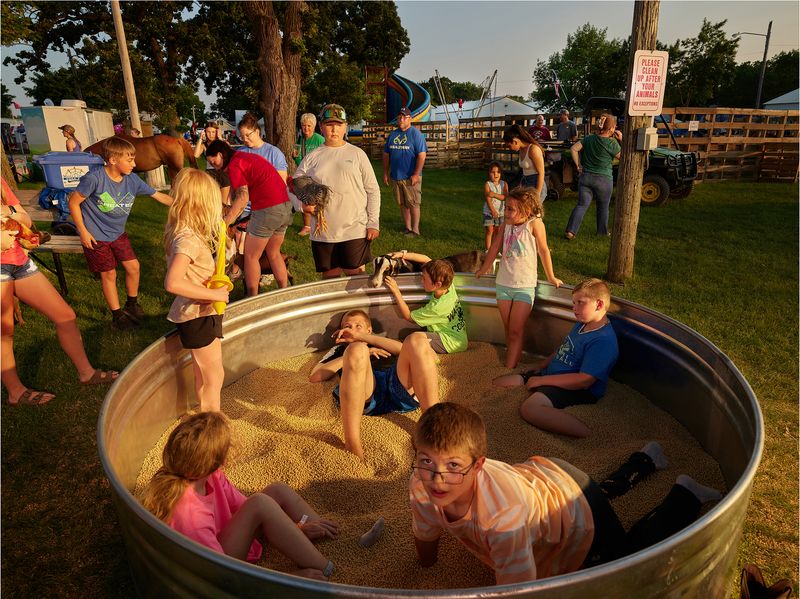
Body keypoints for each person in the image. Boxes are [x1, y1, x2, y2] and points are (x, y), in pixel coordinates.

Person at [409, 402, 723, 585]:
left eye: (453, 465)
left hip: (575, 512)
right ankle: (648, 458)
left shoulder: (503, 518)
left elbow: (520, 590)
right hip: (544, 480)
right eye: (426, 461)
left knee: (625, 563)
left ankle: (686, 494)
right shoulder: (420, 484)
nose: (438, 479)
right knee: (598, 494)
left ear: (478, 466)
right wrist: (422, 570)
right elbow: (425, 534)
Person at [141, 411, 338, 581]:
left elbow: (245, 509)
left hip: (226, 538)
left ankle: (330, 539)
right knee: (260, 502)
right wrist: (292, 579)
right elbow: (220, 575)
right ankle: (327, 570)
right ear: (220, 460)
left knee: (277, 490)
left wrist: (298, 527)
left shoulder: (211, 476)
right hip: (222, 562)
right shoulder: (189, 513)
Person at [1, 177, 118, 405]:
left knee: (65, 316)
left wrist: (11, 212)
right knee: (4, 333)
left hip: (18, 261)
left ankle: (86, 373)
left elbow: (24, 216)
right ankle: (15, 392)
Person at [68, 137, 172, 331]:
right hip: (95, 235)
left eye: (134, 159)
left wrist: (186, 205)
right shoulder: (95, 179)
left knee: (133, 267)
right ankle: (117, 316)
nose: (134, 164)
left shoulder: (132, 180)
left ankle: (131, 304)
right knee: (109, 274)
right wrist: (82, 231)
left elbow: (159, 196)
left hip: (118, 234)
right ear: (113, 160)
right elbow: (73, 202)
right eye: (129, 159)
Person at [493, 278, 617, 438]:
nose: (574, 308)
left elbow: (584, 380)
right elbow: (565, 346)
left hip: (576, 388)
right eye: (573, 303)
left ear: (599, 305)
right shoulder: (583, 323)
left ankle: (590, 436)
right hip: (552, 374)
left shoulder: (603, 340)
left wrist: (541, 381)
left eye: (580, 303)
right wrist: (541, 364)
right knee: (499, 383)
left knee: (529, 409)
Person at [309, 309, 439, 459]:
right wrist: (362, 353)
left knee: (416, 339)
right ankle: (352, 444)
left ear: (369, 330)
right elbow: (315, 376)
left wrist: (365, 338)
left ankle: (432, 427)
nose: (352, 330)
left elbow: (413, 351)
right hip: (366, 391)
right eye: (347, 326)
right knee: (357, 349)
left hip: (396, 383)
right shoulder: (339, 349)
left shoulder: (381, 341)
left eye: (358, 326)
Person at [163, 169, 230, 413]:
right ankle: (212, 423)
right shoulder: (188, 239)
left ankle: (203, 411)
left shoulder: (183, 232)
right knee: (215, 375)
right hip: (198, 314)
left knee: (202, 371)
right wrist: (217, 295)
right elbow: (172, 283)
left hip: (198, 312)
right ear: (203, 204)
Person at [475, 187, 562, 369]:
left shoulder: (534, 224)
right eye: (505, 207)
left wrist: (551, 276)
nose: (505, 212)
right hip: (503, 284)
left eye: (510, 209)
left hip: (524, 286)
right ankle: (513, 357)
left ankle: (509, 368)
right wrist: (484, 268)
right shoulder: (506, 224)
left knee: (515, 330)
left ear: (526, 210)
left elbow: (543, 250)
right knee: (509, 328)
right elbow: (494, 247)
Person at [293, 104, 380, 279]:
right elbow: (293, 186)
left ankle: (357, 308)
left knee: (355, 276)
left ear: (345, 127)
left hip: (354, 228)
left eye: (339, 125)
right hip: (323, 231)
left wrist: (373, 222)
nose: (334, 129)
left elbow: (373, 190)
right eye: (329, 124)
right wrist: (301, 206)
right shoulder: (312, 157)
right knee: (330, 278)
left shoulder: (357, 154)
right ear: (322, 127)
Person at [205, 139, 292, 295]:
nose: (213, 165)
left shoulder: (234, 165)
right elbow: (236, 192)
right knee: (273, 253)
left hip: (267, 209)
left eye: (214, 161)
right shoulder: (243, 157)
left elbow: (243, 197)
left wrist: (225, 222)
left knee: (251, 256)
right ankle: (285, 293)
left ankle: (252, 298)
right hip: (285, 206)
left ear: (220, 154)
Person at [383, 257, 468, 355]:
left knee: (413, 340)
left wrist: (396, 291)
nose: (421, 281)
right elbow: (426, 259)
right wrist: (403, 254)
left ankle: (431, 356)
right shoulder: (448, 285)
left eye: (424, 278)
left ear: (437, 284)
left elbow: (408, 316)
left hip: (450, 343)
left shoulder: (436, 308)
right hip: (459, 337)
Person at [565, 113, 622, 240]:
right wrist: (621, 140)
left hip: (586, 178)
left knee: (581, 205)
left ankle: (570, 232)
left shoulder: (589, 138)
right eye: (614, 126)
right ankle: (602, 232)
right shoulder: (612, 143)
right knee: (603, 207)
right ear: (611, 129)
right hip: (604, 180)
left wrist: (578, 165)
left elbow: (574, 149)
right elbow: (623, 158)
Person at [382, 107, 427, 237]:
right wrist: (385, 172)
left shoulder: (415, 134)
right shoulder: (393, 135)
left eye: (404, 117)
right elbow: (386, 154)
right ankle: (407, 228)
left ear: (410, 119)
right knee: (402, 203)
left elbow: (422, 155)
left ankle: (415, 230)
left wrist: (416, 174)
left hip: (410, 176)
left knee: (413, 203)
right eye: (399, 117)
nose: (401, 119)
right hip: (396, 176)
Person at [293, 113, 325, 236]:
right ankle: (307, 226)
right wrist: (296, 159)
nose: (306, 128)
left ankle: (320, 223)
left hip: (318, 174)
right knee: (304, 199)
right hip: (304, 175)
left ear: (314, 126)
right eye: (303, 125)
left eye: (309, 126)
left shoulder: (319, 139)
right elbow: (297, 158)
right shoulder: (300, 140)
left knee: (318, 201)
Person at [237, 112, 288, 183]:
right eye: (242, 137)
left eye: (248, 135)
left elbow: (282, 181)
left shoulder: (274, 153)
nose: (245, 139)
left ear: (257, 132)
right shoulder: (240, 153)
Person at [502, 125, 548, 201]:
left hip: (536, 184)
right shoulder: (521, 150)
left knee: (533, 212)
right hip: (526, 183)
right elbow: (525, 171)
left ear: (515, 141)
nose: (509, 149)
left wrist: (537, 194)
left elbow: (541, 173)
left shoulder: (533, 149)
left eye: (509, 146)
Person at [193, 121, 231, 206]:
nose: (211, 134)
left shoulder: (223, 142)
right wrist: (200, 138)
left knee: (224, 203)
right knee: (211, 201)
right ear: (205, 132)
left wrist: (220, 137)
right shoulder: (204, 145)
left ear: (217, 132)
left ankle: (224, 218)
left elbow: (229, 152)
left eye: (213, 132)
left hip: (223, 173)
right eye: (208, 132)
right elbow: (195, 155)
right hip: (210, 174)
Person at [482, 161, 507, 250]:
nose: (495, 174)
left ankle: (495, 249)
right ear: (489, 173)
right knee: (490, 230)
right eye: (493, 172)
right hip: (489, 212)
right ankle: (488, 250)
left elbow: (505, 197)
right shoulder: (487, 184)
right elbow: (488, 198)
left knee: (497, 231)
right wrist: (492, 210)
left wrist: (494, 195)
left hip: (501, 213)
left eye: (498, 172)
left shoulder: (504, 184)